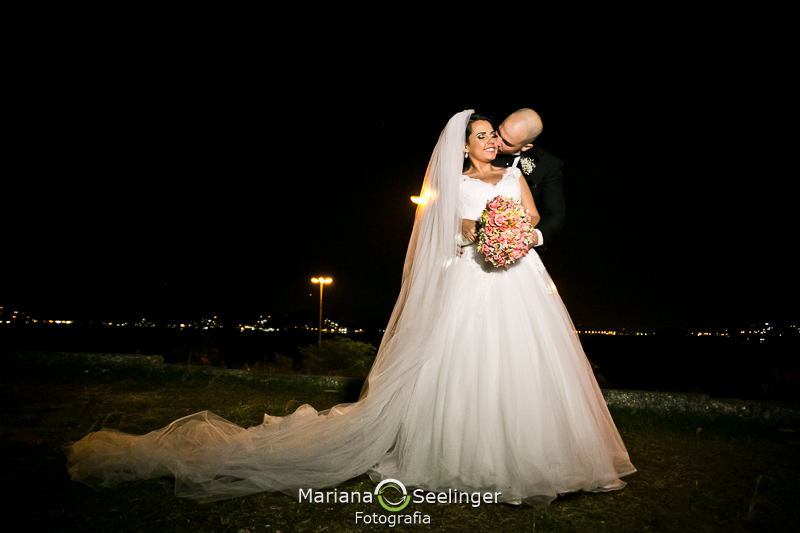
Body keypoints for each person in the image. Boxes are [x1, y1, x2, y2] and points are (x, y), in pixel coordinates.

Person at [64, 110, 634, 508]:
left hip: (519, 279)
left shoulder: (514, 174)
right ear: (465, 145)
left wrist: (519, 231)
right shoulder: (453, 182)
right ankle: (464, 462)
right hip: (473, 274)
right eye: (482, 135)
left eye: (494, 135)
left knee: (526, 366)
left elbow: (531, 215)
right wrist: (486, 230)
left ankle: (544, 457)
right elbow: (447, 226)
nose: (490, 142)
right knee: (464, 366)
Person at [462, 108, 565, 256]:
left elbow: (555, 215)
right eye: (497, 133)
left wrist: (523, 237)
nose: (495, 142)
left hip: (521, 252)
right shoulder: (477, 150)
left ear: (526, 146)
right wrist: (457, 230)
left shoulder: (547, 166)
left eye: (506, 142)